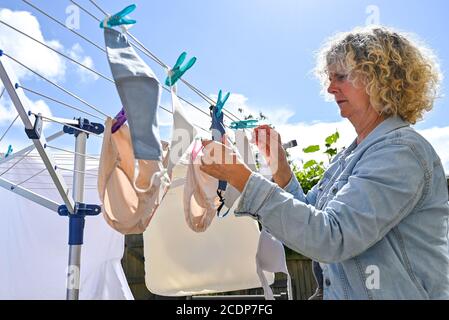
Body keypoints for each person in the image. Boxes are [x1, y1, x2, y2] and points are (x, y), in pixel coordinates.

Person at [199, 26, 449, 299]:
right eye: (329, 78)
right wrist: (281, 171)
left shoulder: (400, 152)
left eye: (341, 77)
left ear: (380, 79)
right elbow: (311, 219)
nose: (330, 88)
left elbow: (331, 237)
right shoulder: (354, 154)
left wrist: (241, 177)